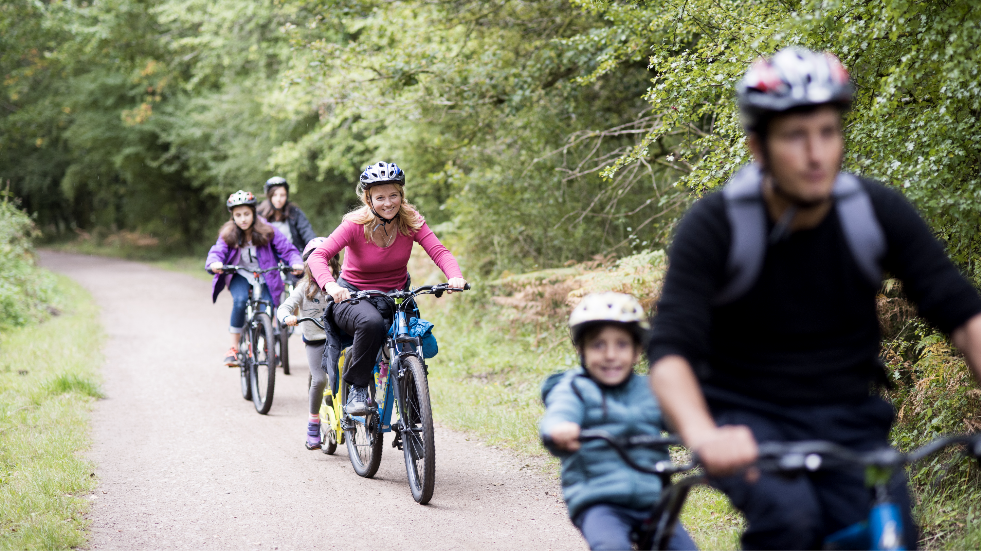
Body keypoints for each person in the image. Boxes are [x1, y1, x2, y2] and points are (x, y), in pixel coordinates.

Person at [646, 47, 981, 551]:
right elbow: (670, 352)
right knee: (792, 523)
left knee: (891, 535)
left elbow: (961, 313)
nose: (816, 154)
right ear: (759, 147)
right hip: (744, 421)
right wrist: (702, 435)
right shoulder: (716, 226)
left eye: (827, 132)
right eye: (795, 136)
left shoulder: (873, 211)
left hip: (848, 419)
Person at [540, 292, 698, 551]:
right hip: (599, 500)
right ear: (582, 350)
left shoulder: (650, 389)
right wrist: (559, 429)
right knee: (612, 546)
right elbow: (560, 413)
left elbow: (680, 417)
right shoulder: (574, 389)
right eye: (598, 345)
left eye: (622, 345)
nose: (610, 354)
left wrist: (704, 428)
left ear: (637, 352)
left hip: (653, 500)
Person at [308, 161, 467, 416]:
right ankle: (358, 390)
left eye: (393, 195)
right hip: (353, 297)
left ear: (401, 196)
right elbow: (318, 256)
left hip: (396, 297)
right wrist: (330, 285)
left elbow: (439, 251)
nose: (388, 202)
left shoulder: (410, 221)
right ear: (369, 199)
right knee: (371, 323)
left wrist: (454, 276)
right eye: (380, 197)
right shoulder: (354, 225)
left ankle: (414, 410)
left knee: (411, 342)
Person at [206, 190, 303, 366]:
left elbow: (288, 250)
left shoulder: (267, 231)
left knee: (266, 308)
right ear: (233, 216)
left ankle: (268, 345)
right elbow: (217, 250)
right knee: (241, 301)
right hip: (240, 275)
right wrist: (215, 263)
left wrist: (296, 262)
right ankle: (233, 348)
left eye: (246, 214)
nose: (242, 219)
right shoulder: (228, 233)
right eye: (238, 215)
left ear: (253, 213)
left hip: (266, 276)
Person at [277, 237, 336, 450]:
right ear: (308, 266)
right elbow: (285, 306)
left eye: (328, 261)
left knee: (350, 375)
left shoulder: (340, 283)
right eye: (318, 261)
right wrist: (287, 317)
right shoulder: (303, 288)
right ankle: (313, 423)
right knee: (319, 380)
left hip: (339, 339)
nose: (324, 266)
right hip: (315, 342)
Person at [257, 176, 318, 253]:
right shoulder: (259, 214)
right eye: (274, 195)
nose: (278, 199)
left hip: (294, 256)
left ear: (286, 196)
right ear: (269, 196)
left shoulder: (295, 212)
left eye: (282, 195)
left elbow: (307, 232)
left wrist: (315, 248)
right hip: (269, 260)